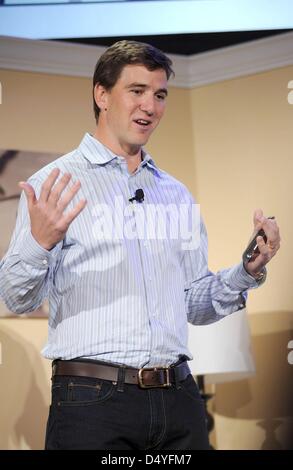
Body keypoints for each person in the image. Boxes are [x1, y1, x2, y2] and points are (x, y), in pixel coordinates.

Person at [0, 40, 280, 450]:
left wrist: (246, 272)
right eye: (137, 91)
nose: (150, 106)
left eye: (160, 94)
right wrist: (40, 245)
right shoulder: (52, 185)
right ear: (102, 94)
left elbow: (192, 305)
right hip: (92, 403)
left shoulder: (175, 194)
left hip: (179, 399)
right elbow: (15, 296)